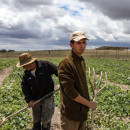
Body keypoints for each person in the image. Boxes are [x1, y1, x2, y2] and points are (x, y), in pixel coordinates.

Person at [58, 31, 97, 130]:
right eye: (78, 43)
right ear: (71, 45)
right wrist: (89, 104)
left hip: (82, 112)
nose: (82, 45)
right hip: (71, 115)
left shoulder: (81, 61)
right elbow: (71, 92)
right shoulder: (66, 63)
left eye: (84, 42)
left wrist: (87, 104)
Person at [16, 53, 58, 130]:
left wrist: (64, 82)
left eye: (25, 65)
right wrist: (29, 100)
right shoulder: (27, 74)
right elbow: (25, 87)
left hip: (47, 96)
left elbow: (59, 71)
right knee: (36, 119)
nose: (24, 68)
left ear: (31, 63)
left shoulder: (45, 65)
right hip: (35, 98)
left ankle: (45, 128)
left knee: (46, 119)